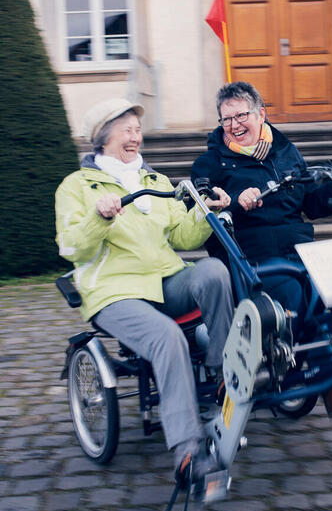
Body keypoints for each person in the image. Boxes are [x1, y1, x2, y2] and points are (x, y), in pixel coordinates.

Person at [55, 98, 233, 484]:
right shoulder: (77, 186)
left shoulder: (155, 181)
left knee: (214, 272)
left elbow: (184, 236)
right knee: (166, 336)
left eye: (137, 129)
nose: (135, 137)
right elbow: (70, 246)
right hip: (113, 291)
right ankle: (188, 451)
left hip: (165, 280)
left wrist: (208, 211)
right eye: (126, 130)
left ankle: (225, 375)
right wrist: (98, 217)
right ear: (104, 137)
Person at [192, 81, 332, 338]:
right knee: (292, 294)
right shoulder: (208, 164)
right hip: (251, 258)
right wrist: (235, 200)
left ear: (261, 114)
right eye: (226, 119)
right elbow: (201, 211)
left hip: (300, 250)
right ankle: (293, 367)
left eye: (241, 115)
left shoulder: (286, 151)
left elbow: (311, 203)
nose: (234, 125)